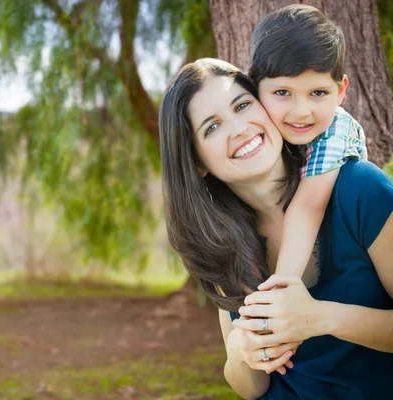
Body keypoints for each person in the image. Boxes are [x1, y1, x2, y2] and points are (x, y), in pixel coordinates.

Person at [158, 58, 393, 399]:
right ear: (196, 162)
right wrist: (241, 352)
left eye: (242, 105)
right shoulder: (220, 242)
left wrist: (322, 318)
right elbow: (252, 388)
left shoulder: (359, 190)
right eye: (212, 127)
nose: (239, 128)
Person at [249, 4, 367, 280]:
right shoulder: (262, 130)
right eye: (282, 92)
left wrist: (283, 286)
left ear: (340, 91)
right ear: (256, 88)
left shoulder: (336, 129)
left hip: (347, 258)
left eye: (317, 92)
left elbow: (308, 207)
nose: (301, 111)